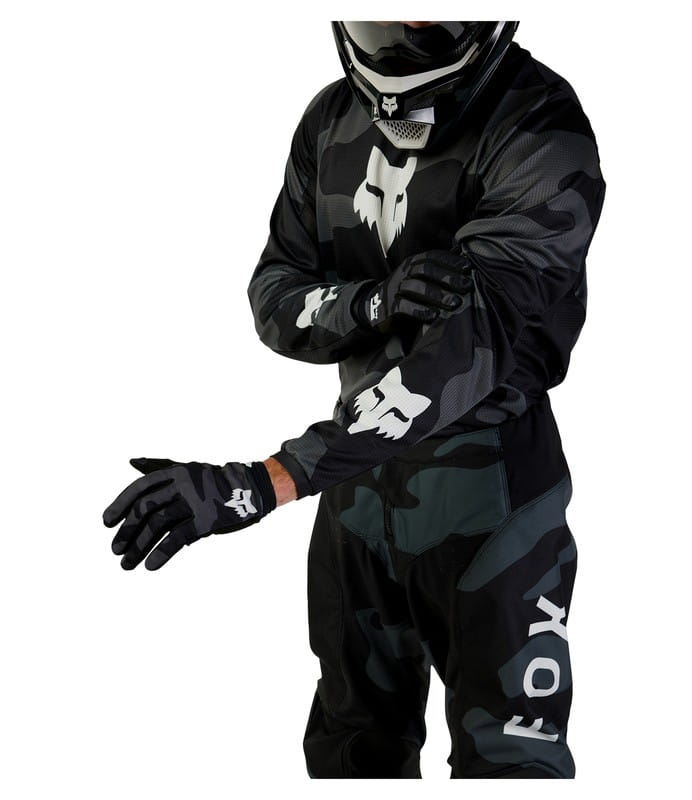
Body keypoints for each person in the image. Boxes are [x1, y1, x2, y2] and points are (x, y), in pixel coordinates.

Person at [102, 21, 605, 779]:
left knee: (511, 759)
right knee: (349, 748)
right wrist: (373, 302)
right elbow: (274, 296)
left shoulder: (539, 125)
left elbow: (467, 352)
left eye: (430, 20)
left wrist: (268, 480)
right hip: (356, 498)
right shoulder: (331, 119)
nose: (404, 37)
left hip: (491, 501)